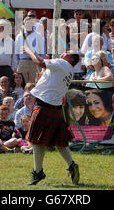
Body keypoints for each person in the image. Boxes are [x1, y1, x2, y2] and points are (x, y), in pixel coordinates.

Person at [21, 46, 80, 186]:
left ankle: (38, 172)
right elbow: (46, 73)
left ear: (71, 58)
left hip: (45, 106)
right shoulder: (68, 70)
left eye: (67, 52)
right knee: (60, 142)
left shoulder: (62, 64)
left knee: (36, 141)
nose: (64, 52)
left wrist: (29, 51)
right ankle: (72, 165)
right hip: (55, 107)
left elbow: (40, 62)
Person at [15, 16, 45, 84]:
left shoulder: (39, 36)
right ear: (24, 25)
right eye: (27, 23)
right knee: (22, 84)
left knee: (35, 84)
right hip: (23, 62)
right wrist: (17, 65)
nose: (28, 25)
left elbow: (42, 52)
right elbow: (16, 53)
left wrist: (42, 64)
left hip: (35, 62)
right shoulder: (19, 37)